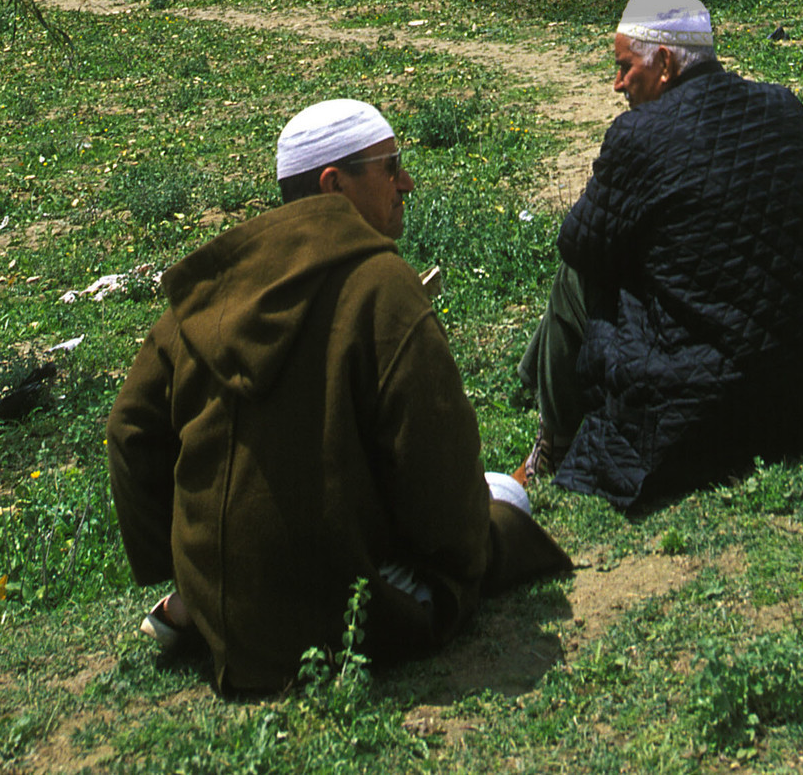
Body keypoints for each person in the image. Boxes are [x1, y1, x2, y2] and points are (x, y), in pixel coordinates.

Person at [107, 97, 570, 694]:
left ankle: (189, 606)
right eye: (390, 165)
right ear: (335, 184)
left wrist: (189, 567)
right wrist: (462, 552)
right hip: (342, 616)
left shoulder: (203, 298)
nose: (407, 181)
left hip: (226, 617)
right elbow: (438, 468)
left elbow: (129, 431)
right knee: (505, 496)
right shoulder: (380, 284)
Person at [518, 0, 803, 512]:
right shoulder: (783, 105)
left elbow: (580, 244)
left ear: (663, 63)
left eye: (624, 68)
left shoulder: (640, 134)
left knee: (578, 273)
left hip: (713, 412)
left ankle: (554, 439)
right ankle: (534, 393)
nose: (617, 85)